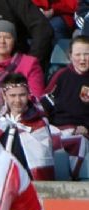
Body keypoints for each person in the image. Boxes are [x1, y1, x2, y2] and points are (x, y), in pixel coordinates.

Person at [42, 35, 89, 179]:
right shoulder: (61, 75)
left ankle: (74, 180)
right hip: (58, 128)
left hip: (82, 131)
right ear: (70, 56)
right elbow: (46, 102)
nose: (82, 59)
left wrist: (86, 128)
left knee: (79, 142)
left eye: (87, 54)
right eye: (78, 55)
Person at [0, 73, 55, 181]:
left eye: (22, 95)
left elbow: (43, 160)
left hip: (29, 180)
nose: (18, 100)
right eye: (12, 95)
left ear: (28, 94)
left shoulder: (38, 123)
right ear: (4, 96)